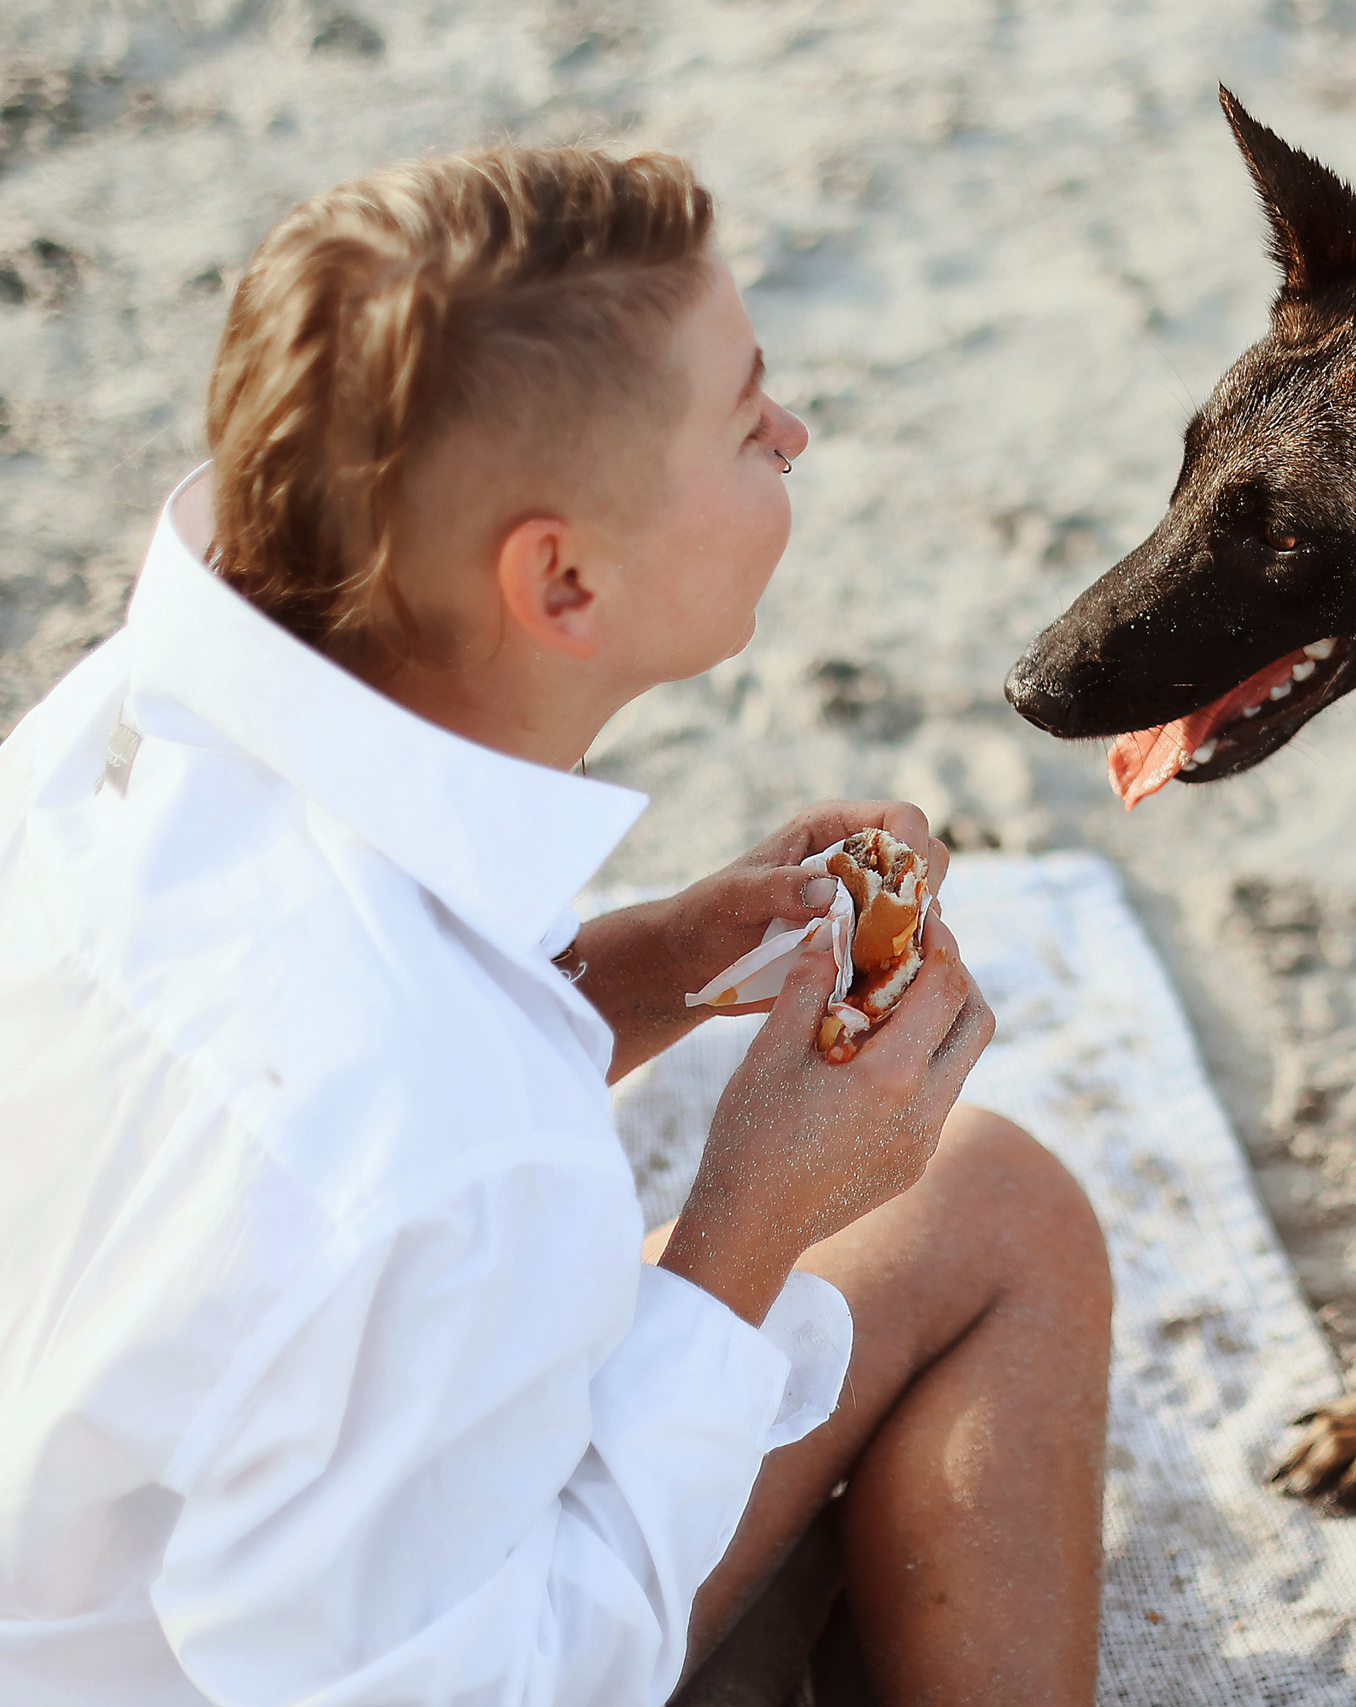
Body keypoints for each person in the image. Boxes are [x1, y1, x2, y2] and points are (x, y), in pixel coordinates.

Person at [0, 146, 1112, 1706]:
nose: (793, 435)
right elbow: (506, 1679)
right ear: (563, 580)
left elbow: (255, 1170)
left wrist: (637, 970)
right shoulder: (451, 1145)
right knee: (996, 1203)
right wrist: (754, 1222)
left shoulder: (105, 732)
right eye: (746, 418)